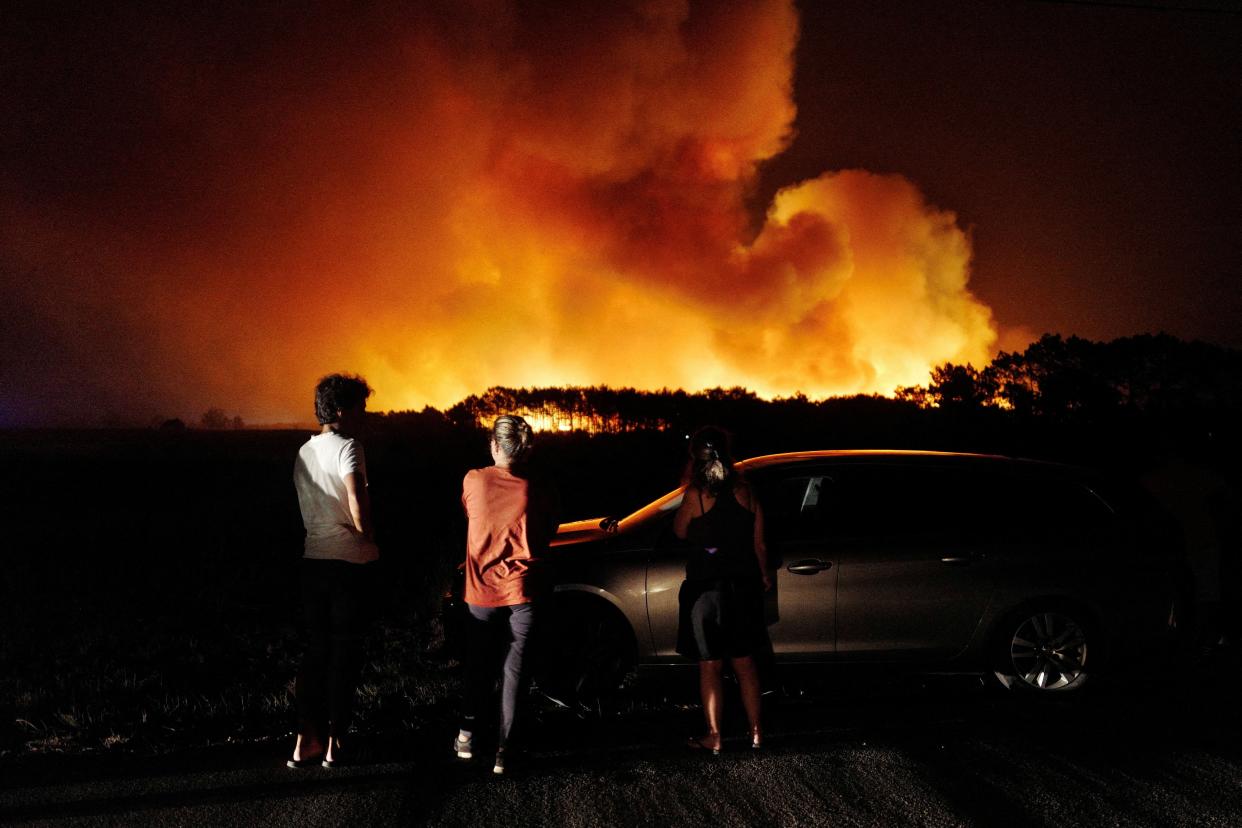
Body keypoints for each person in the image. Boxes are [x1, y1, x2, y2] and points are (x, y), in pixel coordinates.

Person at [455, 415, 557, 775]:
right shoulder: (537, 488)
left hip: (480, 589)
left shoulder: (474, 480)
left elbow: (471, 514)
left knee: (478, 663)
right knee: (514, 671)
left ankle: (467, 736)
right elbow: (550, 529)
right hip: (522, 589)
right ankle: (505, 750)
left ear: (495, 446)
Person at [287, 373, 380, 769]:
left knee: (315, 652)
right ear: (342, 410)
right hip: (349, 566)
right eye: (360, 407)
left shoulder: (303, 452)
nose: (365, 415)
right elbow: (358, 508)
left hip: (313, 563)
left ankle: (305, 741)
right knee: (345, 654)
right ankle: (336, 744)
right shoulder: (350, 447)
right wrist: (371, 537)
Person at [673, 426, 770, 754]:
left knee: (710, 665)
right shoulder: (747, 491)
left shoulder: (697, 495)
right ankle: (756, 733)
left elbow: (680, 532)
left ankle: (714, 735)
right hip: (742, 588)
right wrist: (764, 578)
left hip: (706, 591)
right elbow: (759, 544)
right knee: (745, 663)